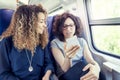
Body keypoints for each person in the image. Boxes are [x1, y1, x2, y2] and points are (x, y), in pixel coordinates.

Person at [0, 4, 54, 80]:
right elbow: (3, 73)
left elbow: (48, 63)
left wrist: (47, 75)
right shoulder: (7, 42)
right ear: (29, 23)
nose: (45, 25)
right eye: (41, 22)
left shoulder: (41, 41)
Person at [51, 12, 100, 80]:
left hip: (81, 70)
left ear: (75, 26)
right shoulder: (55, 43)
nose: (68, 29)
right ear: (60, 28)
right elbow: (65, 69)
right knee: (83, 66)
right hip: (65, 74)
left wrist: (96, 68)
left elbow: (90, 60)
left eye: (71, 25)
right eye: (65, 26)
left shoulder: (81, 41)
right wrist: (68, 57)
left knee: (96, 74)